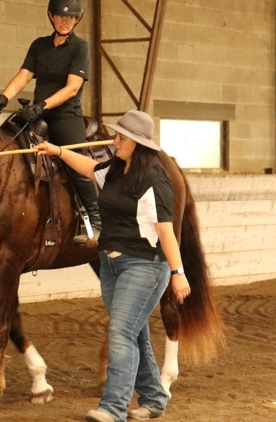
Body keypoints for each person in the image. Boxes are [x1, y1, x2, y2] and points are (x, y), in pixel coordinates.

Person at [34, 110, 191, 422]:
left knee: (120, 332)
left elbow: (165, 231)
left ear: (137, 143)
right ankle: (155, 398)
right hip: (111, 264)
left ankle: (113, 407)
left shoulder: (155, 181)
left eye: (121, 137)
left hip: (145, 265)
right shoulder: (116, 170)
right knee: (135, 334)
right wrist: (58, 151)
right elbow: (90, 168)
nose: (114, 141)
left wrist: (178, 273)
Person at [0, 0, 101, 247]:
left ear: (77, 20)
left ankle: (97, 219)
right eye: (60, 17)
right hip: (37, 113)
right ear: (51, 17)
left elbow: (72, 88)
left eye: (70, 18)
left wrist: (42, 106)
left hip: (65, 115)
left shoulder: (80, 48)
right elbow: (24, 76)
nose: (65, 21)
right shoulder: (39, 45)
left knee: (74, 159)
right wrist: (4, 96)